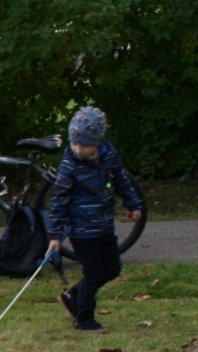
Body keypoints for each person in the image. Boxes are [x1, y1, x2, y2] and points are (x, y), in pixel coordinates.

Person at [47, 106, 144, 335]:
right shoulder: (69, 166)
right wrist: (54, 235)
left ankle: (72, 297)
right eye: (74, 143)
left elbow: (121, 180)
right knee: (94, 273)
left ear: (97, 142)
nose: (78, 149)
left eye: (84, 145)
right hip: (82, 230)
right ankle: (84, 319)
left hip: (104, 224)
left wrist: (133, 204)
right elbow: (59, 201)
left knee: (112, 269)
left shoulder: (109, 155)